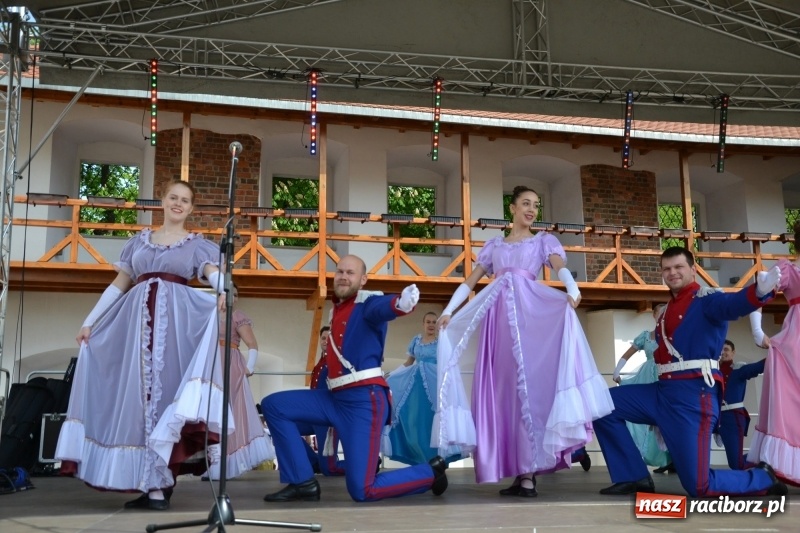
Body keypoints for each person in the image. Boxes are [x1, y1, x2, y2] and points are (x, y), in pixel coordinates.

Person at [56, 179, 231, 511]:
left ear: (191, 208)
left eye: (185, 200)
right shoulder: (138, 243)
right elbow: (118, 285)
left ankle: (160, 486)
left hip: (175, 331)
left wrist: (223, 289)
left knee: (165, 401)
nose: (178, 204)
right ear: (162, 201)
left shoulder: (198, 245)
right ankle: (152, 487)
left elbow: (211, 273)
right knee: (138, 404)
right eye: (173, 197)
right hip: (135, 330)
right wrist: (90, 321)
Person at [435, 185, 614, 498]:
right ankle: (520, 472)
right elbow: (470, 282)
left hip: (531, 317)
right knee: (504, 394)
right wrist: (449, 311)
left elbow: (560, 267)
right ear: (513, 209)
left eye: (536, 205)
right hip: (498, 323)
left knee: (529, 391)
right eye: (526, 204)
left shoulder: (543, 241)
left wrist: (572, 290)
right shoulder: (494, 247)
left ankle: (530, 474)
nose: (531, 210)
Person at [594, 246, 786, 497]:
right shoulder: (668, 309)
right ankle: (634, 476)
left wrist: (759, 292)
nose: (672, 273)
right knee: (601, 406)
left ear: (693, 270)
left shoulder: (706, 300)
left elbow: (732, 304)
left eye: (678, 267)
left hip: (693, 398)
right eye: (666, 269)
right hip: (662, 392)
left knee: (698, 486)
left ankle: (762, 477)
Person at [260, 255, 448, 502]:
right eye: (339, 272)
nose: (343, 277)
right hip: (333, 399)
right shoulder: (337, 310)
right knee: (274, 406)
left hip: (363, 403)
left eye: (350, 273)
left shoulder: (366, 303)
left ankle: (430, 473)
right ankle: (302, 482)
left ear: (363, 279)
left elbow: (384, 306)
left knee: (362, 490)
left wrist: (401, 303)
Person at [204, 283, 275, 480]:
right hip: (211, 364)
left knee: (229, 411)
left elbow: (252, 344)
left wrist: (249, 367)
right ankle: (212, 462)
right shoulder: (209, 314)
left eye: (235, 295)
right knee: (211, 412)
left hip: (230, 365)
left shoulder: (237, 316)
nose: (232, 298)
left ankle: (225, 464)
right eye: (228, 294)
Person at [746, 241, 800, 485]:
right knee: (788, 406)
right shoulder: (789, 270)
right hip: (794, 345)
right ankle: (778, 465)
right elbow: (759, 292)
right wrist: (757, 331)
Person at [383, 312, 460, 466]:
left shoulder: (441, 342)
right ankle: (418, 458)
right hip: (415, 385)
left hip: (435, 385)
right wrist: (392, 375)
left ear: (438, 325)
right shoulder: (416, 341)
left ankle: (436, 459)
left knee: (432, 420)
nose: (431, 325)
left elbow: (447, 365)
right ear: (423, 324)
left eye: (434, 322)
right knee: (413, 420)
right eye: (428, 322)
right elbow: (409, 362)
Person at [611, 303, 674, 472]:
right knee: (648, 416)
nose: (663, 317)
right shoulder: (646, 336)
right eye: (660, 314)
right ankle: (659, 459)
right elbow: (627, 354)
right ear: (654, 316)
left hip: (667, 375)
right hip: (647, 377)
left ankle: (671, 458)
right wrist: (617, 371)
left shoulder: (674, 335)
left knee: (668, 416)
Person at [300, 326, 346, 476]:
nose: (326, 341)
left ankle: (366, 466)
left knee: (329, 469)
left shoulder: (339, 360)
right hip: (313, 414)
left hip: (328, 417)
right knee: (284, 428)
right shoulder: (320, 363)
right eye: (323, 338)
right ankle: (315, 462)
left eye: (329, 338)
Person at [713, 339, 764, 470]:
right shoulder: (711, 371)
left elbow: (759, 366)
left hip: (732, 418)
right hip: (713, 417)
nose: (722, 352)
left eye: (726, 350)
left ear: (733, 352)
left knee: (736, 464)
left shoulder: (739, 369)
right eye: (720, 349)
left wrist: (778, 351)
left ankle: (765, 459)